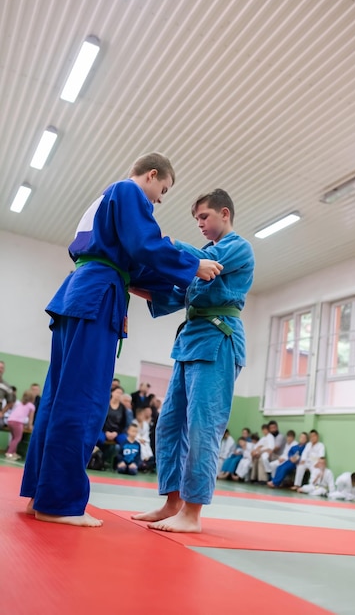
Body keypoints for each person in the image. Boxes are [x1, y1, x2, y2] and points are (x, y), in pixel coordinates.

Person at [20, 152, 223, 527]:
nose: (158, 200)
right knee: (83, 400)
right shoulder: (128, 192)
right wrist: (192, 266)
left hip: (78, 296)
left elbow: (137, 261)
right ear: (150, 175)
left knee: (57, 398)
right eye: (160, 191)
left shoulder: (103, 201)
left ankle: (41, 494)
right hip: (98, 297)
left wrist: (175, 283)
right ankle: (60, 503)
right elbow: (144, 245)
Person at [131, 188, 255, 532]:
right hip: (190, 342)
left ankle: (193, 511)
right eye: (197, 219)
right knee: (168, 424)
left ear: (225, 214)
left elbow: (204, 265)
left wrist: (161, 243)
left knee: (203, 425)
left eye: (204, 216)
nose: (200, 223)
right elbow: (172, 295)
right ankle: (172, 503)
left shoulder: (236, 248)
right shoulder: (198, 262)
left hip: (219, 340)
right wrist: (129, 279)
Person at [4, 390, 36, 460]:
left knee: (14, 437)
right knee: (17, 438)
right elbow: (30, 419)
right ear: (32, 398)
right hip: (17, 422)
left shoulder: (20, 404)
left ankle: (13, 452)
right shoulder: (31, 406)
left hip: (9, 421)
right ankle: (9, 453)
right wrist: (30, 426)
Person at [0, 361, 15, 428]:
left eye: (2, 368)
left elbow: (11, 402)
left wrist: (2, 413)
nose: (0, 369)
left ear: (3, 370)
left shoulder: (6, 386)